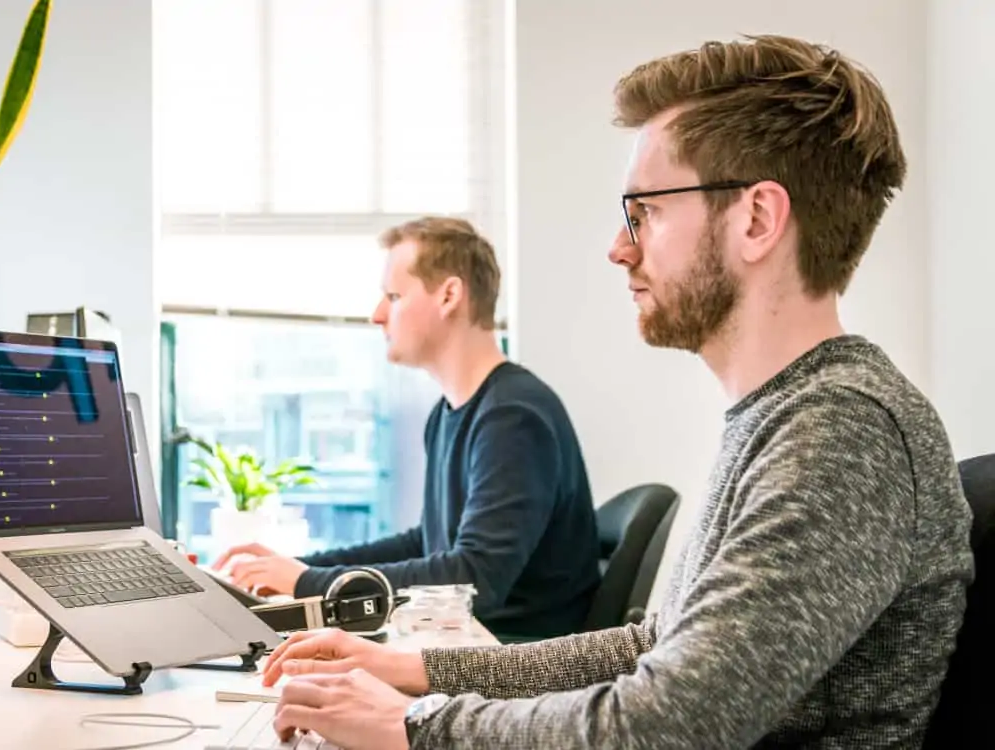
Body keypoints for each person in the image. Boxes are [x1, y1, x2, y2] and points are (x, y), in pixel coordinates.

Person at [256, 35, 976, 749]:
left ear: (756, 220)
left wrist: (412, 726)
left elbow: (669, 722)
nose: (619, 246)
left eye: (647, 212)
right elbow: (655, 647)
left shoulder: (844, 433)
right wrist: (411, 667)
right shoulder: (786, 416)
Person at [212, 216, 603, 639]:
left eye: (394, 296)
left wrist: (307, 584)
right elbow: (428, 543)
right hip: (466, 643)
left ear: (449, 295)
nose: (377, 315)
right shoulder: (450, 413)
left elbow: (474, 580)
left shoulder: (513, 418)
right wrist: (303, 568)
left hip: (510, 659)